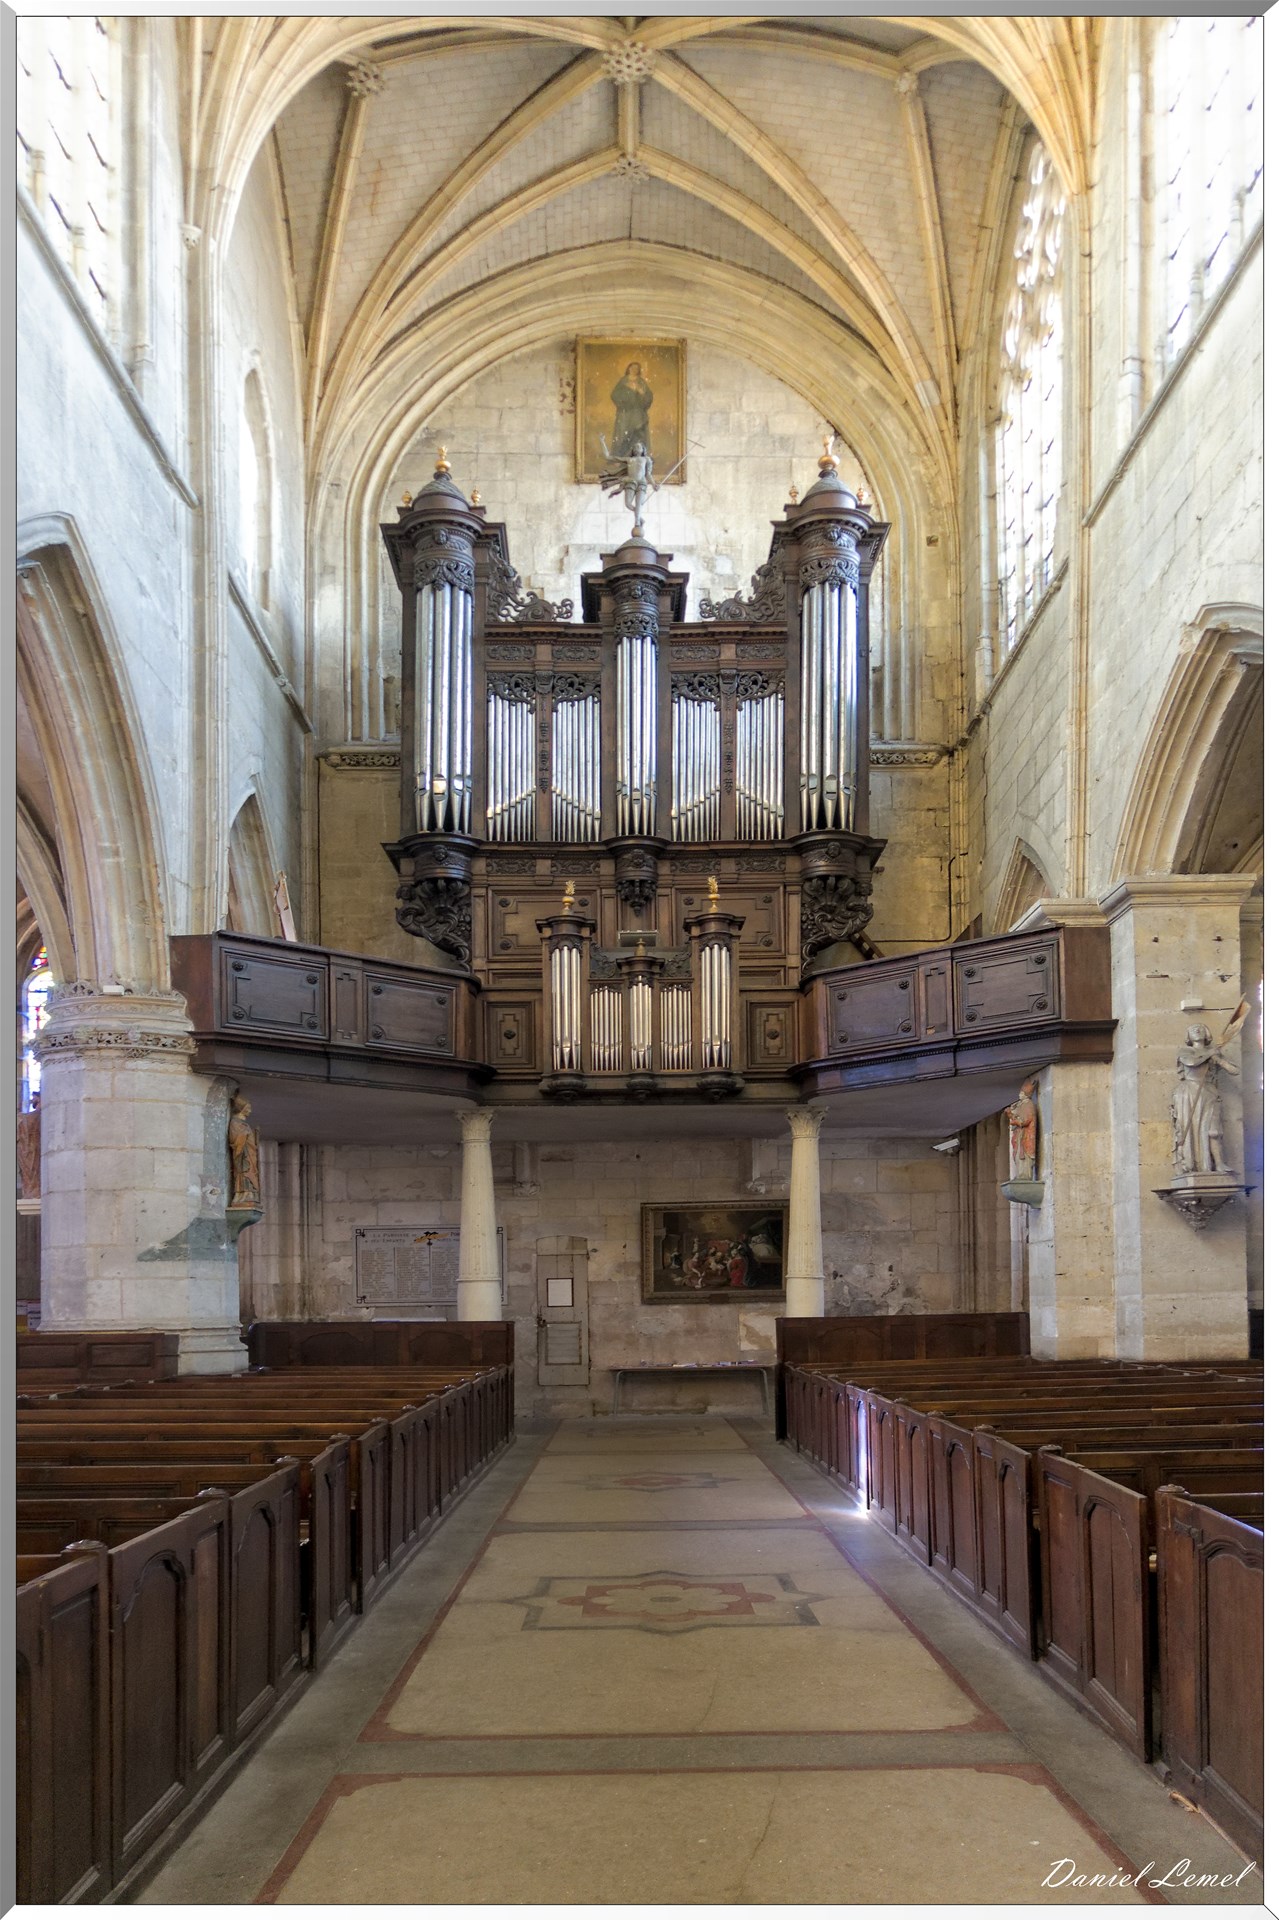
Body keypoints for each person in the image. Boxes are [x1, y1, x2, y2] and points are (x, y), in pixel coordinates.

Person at [1171, 1021, 1240, 1176]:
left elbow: (1234, 1071)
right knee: (1190, 1131)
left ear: (1207, 1033)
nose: (1197, 1029)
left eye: (1201, 1028)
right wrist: (1210, 1054)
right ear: (1187, 1036)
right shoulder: (1184, 1051)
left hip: (1209, 1092)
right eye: (1193, 1029)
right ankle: (1192, 1164)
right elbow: (1191, 1062)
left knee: (1214, 1130)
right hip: (1188, 1093)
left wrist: (1219, 1059)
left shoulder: (1214, 1053)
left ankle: (1219, 1164)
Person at [610, 360, 653, 457]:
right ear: (628, 368)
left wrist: (642, 393)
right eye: (632, 368)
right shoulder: (623, 381)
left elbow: (649, 398)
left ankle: (639, 457)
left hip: (638, 414)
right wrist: (626, 397)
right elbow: (614, 395)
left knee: (638, 435)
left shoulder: (641, 382)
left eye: (636, 368)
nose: (634, 370)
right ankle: (620, 457)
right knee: (623, 435)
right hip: (625, 413)